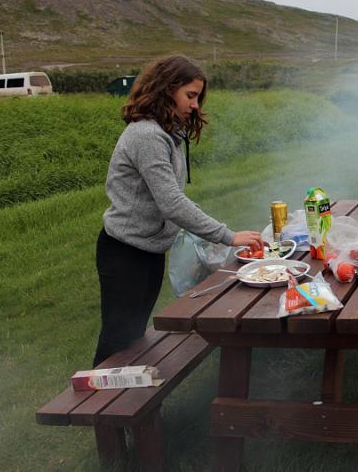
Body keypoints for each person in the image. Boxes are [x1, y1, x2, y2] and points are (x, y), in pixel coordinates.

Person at [93, 54, 262, 367]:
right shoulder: (147, 136)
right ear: (166, 89)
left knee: (132, 338)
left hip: (148, 250)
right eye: (190, 95)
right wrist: (227, 236)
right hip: (125, 253)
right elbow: (171, 202)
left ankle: (126, 404)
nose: (196, 105)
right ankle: (97, 408)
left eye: (197, 97)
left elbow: (171, 198)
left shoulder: (166, 134)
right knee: (118, 340)